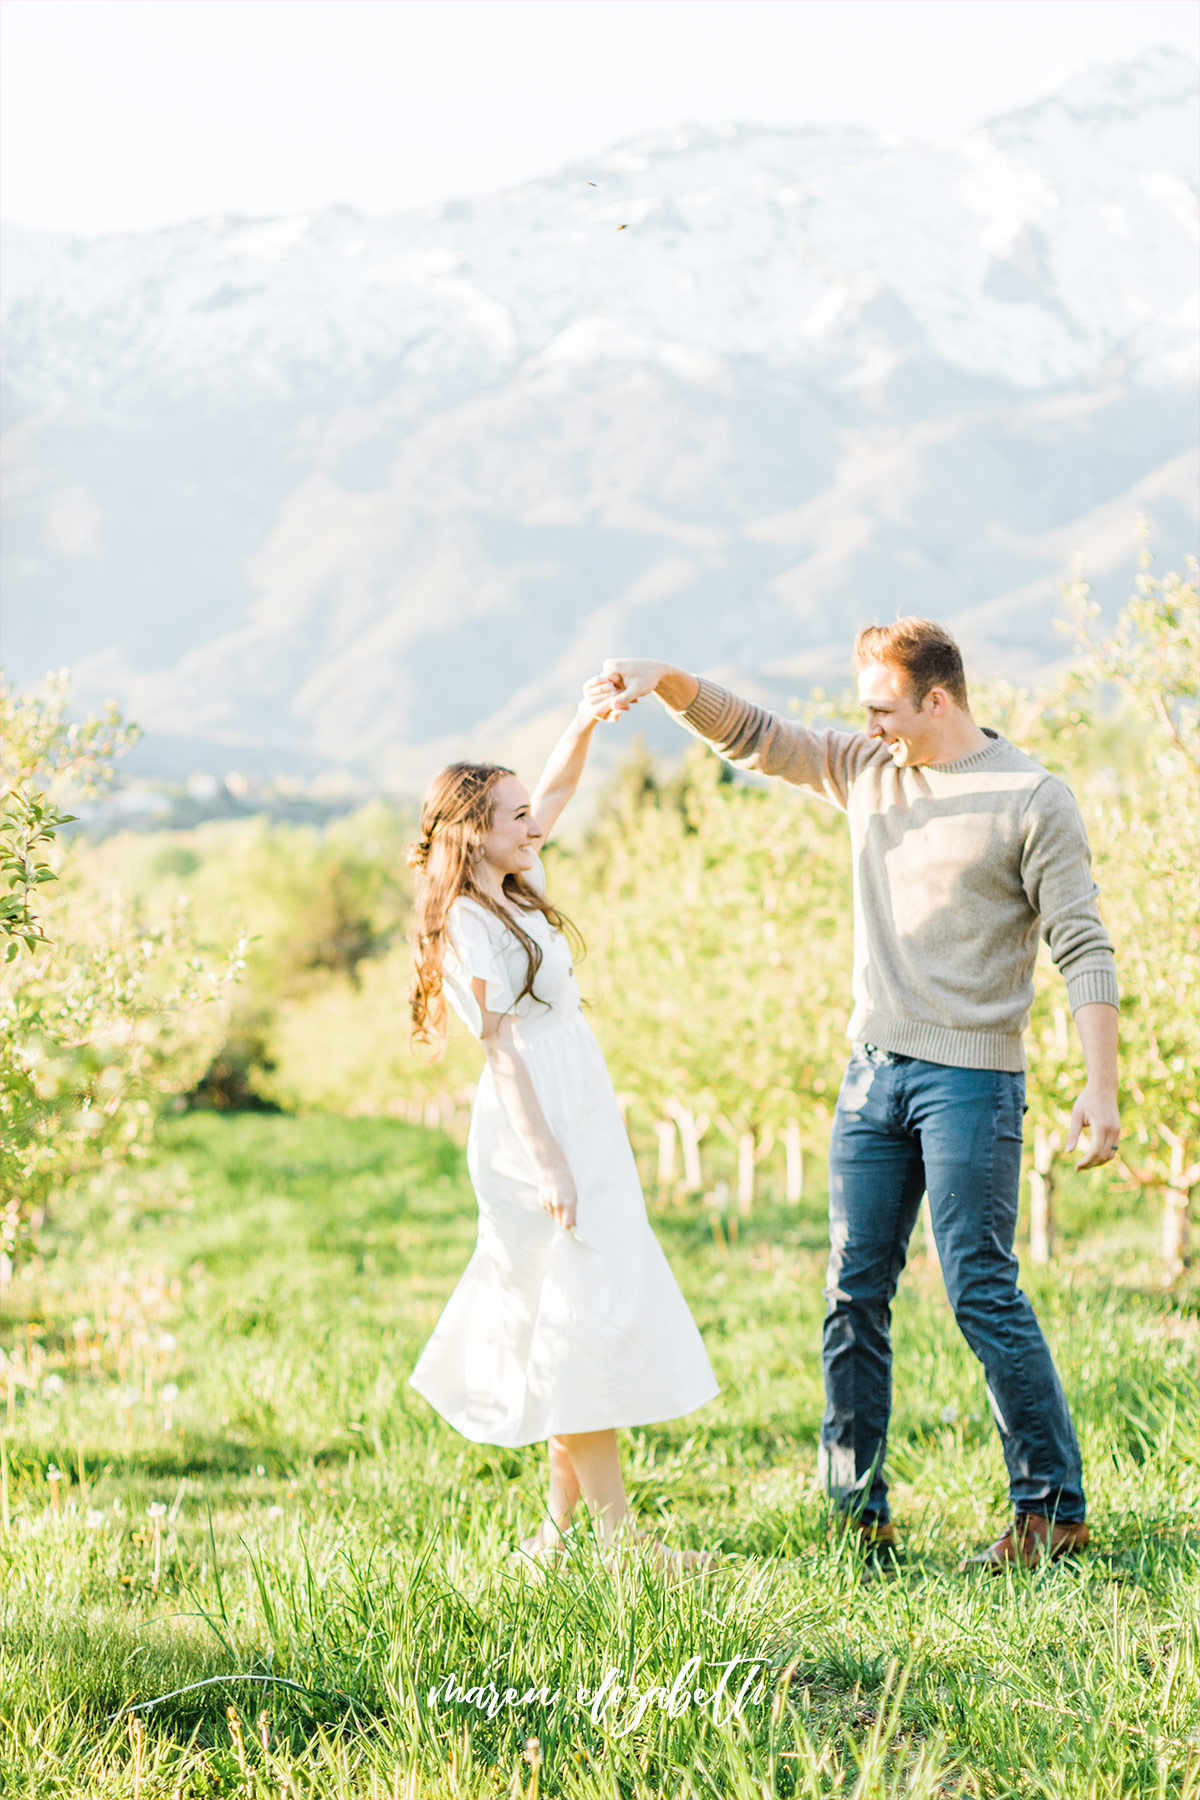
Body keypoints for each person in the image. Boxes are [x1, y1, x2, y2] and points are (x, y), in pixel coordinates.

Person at [585, 619, 1120, 1569]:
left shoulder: (1033, 799)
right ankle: (855, 1514)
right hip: (872, 1072)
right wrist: (668, 678)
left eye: (882, 706)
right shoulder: (869, 769)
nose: (865, 724)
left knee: (980, 1289)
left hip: (972, 1079)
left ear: (938, 700)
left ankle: (1051, 1511)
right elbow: (759, 735)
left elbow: (1081, 945)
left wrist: (1101, 1088)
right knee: (850, 1290)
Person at [405, 696, 719, 1568]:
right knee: (577, 1318)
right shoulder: (469, 922)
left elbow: (559, 788)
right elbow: (501, 1051)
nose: (533, 823)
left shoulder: (514, 890)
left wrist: (585, 722)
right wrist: (550, 1162)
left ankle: (554, 1537)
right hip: (534, 1130)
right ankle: (623, 1543)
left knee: (572, 1315)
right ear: (473, 833)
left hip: (578, 1109)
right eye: (514, 817)